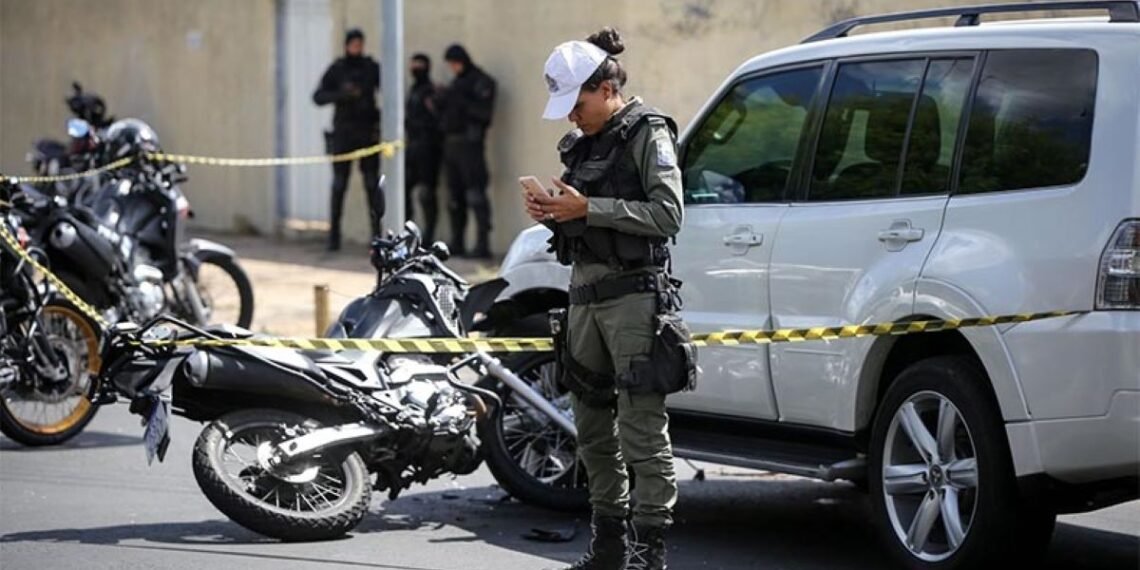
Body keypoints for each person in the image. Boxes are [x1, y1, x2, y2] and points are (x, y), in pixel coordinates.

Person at [526, 27, 690, 570]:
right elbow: (585, 218)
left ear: (605, 88)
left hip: (633, 300)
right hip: (584, 299)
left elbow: (668, 216)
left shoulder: (649, 133)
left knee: (641, 428)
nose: (571, 115)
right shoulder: (584, 142)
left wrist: (588, 211)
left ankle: (648, 553)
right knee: (592, 430)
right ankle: (609, 548)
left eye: (576, 102)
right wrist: (557, 213)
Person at [313, 28, 382, 252]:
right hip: (344, 134)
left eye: (359, 44)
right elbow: (318, 97)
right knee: (339, 185)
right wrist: (342, 94)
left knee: (372, 185)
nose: (357, 48)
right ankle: (333, 237)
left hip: (367, 134)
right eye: (353, 44)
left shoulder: (371, 68)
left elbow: (388, 92)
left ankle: (377, 238)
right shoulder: (338, 69)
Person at [439, 44, 496, 258]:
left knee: (476, 195)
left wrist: (460, 101)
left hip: (471, 145)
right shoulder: (456, 84)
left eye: (454, 64)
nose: (452, 68)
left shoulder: (481, 82)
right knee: (455, 198)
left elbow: (483, 113)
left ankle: (483, 244)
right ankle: (457, 242)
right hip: (452, 145)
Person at [405, 53, 443, 244]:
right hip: (412, 147)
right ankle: (408, 234)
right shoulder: (413, 90)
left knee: (427, 193)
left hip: (429, 148)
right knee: (405, 192)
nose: (415, 68)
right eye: (414, 64)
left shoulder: (432, 91)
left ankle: (428, 237)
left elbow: (439, 119)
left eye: (420, 65)